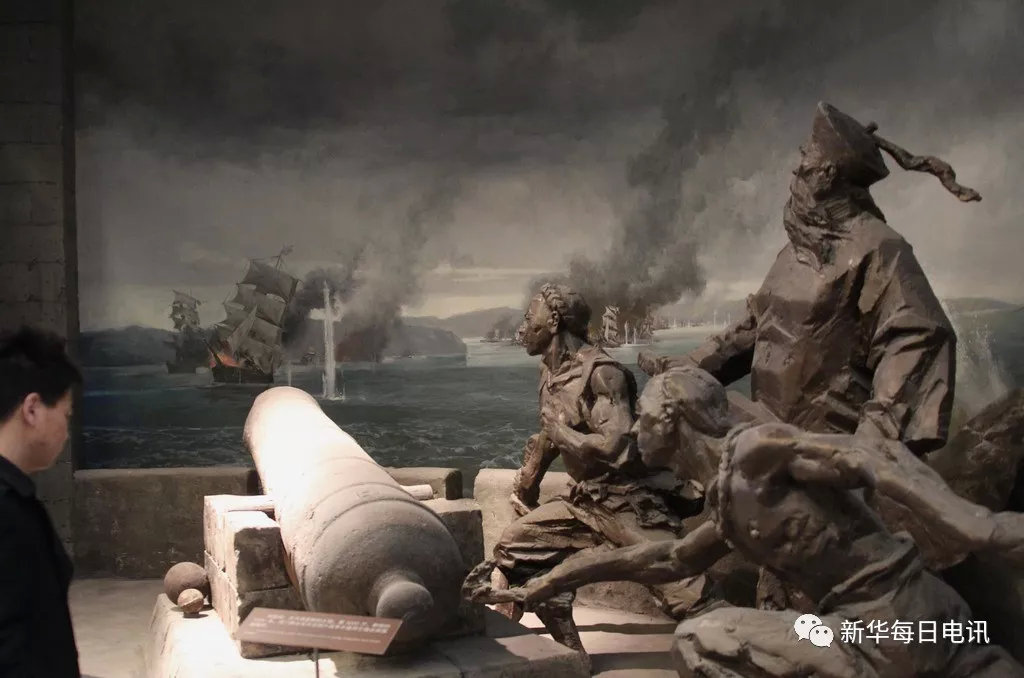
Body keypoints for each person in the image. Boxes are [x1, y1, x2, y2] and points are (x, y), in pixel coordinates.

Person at [468, 368, 1024, 677]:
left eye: (644, 418)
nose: (633, 430)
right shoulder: (727, 503)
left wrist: (979, 526)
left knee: (699, 639)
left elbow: (869, 457)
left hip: (904, 620)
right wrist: (541, 584)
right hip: (863, 630)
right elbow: (663, 558)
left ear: (675, 419)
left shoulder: (756, 451)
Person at [639, 101, 982, 457]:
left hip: (828, 452)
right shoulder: (794, 251)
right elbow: (756, 325)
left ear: (826, 174)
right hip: (768, 438)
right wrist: (690, 367)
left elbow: (917, 337)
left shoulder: (879, 248)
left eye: (805, 155)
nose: (796, 166)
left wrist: (873, 440)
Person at [492, 283, 704, 661]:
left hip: (627, 500)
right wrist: (527, 485)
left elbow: (616, 446)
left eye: (528, 318)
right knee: (516, 548)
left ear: (553, 321)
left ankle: (744, 652)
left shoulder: (603, 374)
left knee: (686, 590)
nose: (521, 328)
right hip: (584, 499)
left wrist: (562, 433)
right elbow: (548, 436)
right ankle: (571, 653)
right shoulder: (549, 373)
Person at [0, 326, 83, 677]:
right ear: (33, 409)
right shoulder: (7, 511)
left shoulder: (17, 499)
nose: (66, 431)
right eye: (65, 415)